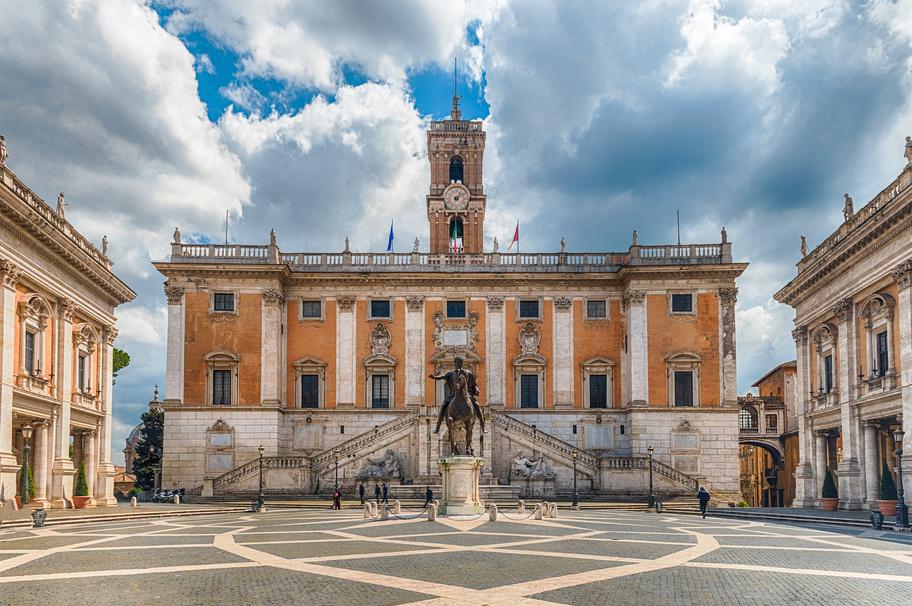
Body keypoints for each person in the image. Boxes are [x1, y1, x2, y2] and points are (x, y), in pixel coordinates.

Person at [429, 356, 485, 434]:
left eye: (460, 362)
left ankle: (483, 427)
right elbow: (442, 376)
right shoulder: (451, 373)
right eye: (457, 362)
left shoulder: (467, 373)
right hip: (453, 395)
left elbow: (475, 384)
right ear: (454, 363)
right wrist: (435, 377)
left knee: (477, 406)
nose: (458, 364)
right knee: (443, 405)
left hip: (467, 395)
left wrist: (477, 390)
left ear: (462, 363)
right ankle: (437, 427)